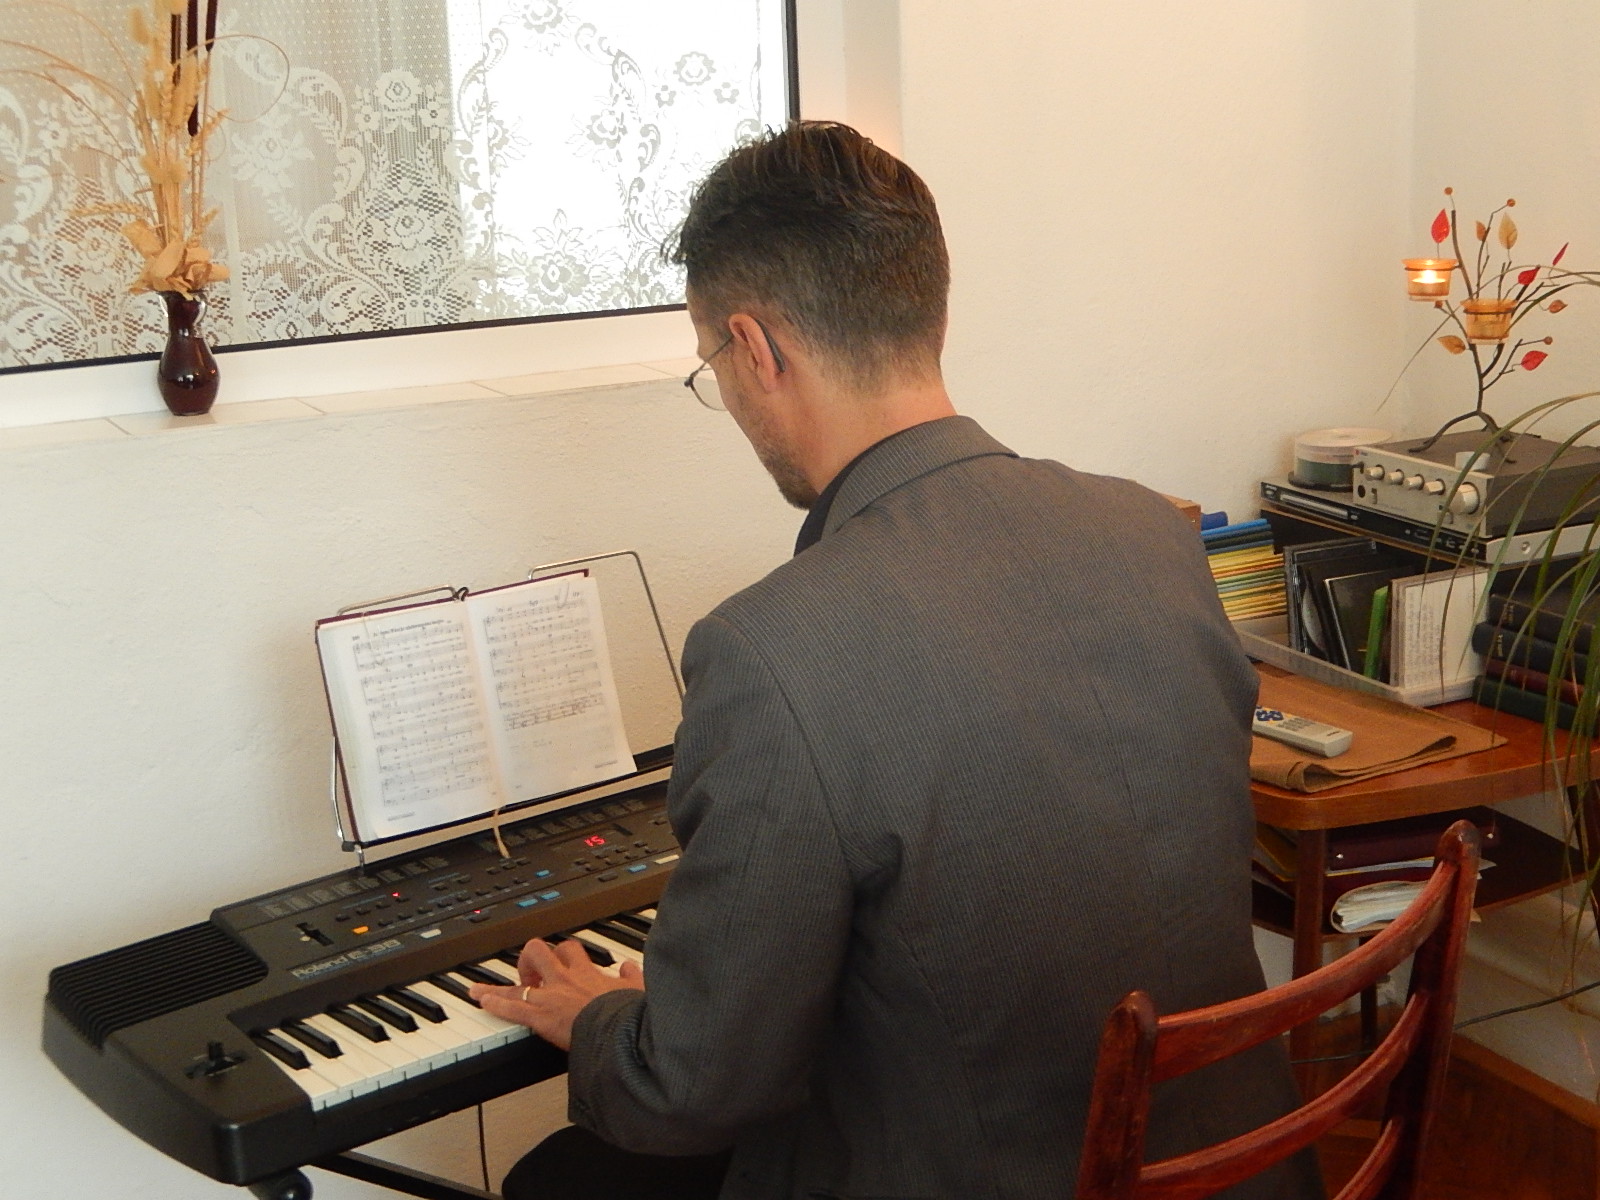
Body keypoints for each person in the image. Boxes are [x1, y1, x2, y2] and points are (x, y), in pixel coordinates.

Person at [471, 121, 1320, 1200]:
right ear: (928, 311)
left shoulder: (768, 652)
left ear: (755, 349)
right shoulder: (1153, 534)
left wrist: (604, 1018)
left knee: (563, 1182)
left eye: (711, 366)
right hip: (1237, 1163)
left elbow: (690, 1091)